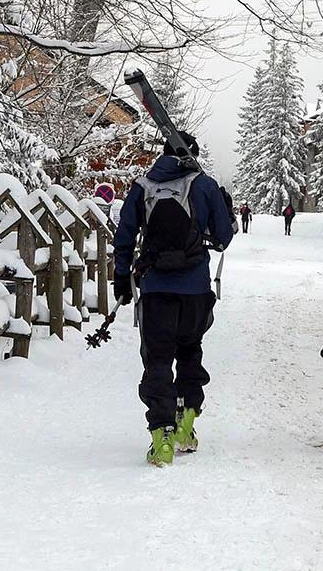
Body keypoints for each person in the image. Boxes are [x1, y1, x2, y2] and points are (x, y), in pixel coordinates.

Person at [112, 132, 234, 467]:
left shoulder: (144, 185)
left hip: (156, 289)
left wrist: (122, 276)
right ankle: (185, 425)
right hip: (195, 289)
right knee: (190, 353)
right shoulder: (204, 185)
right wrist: (223, 209)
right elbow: (223, 237)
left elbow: (124, 235)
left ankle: (161, 436)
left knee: (158, 360)